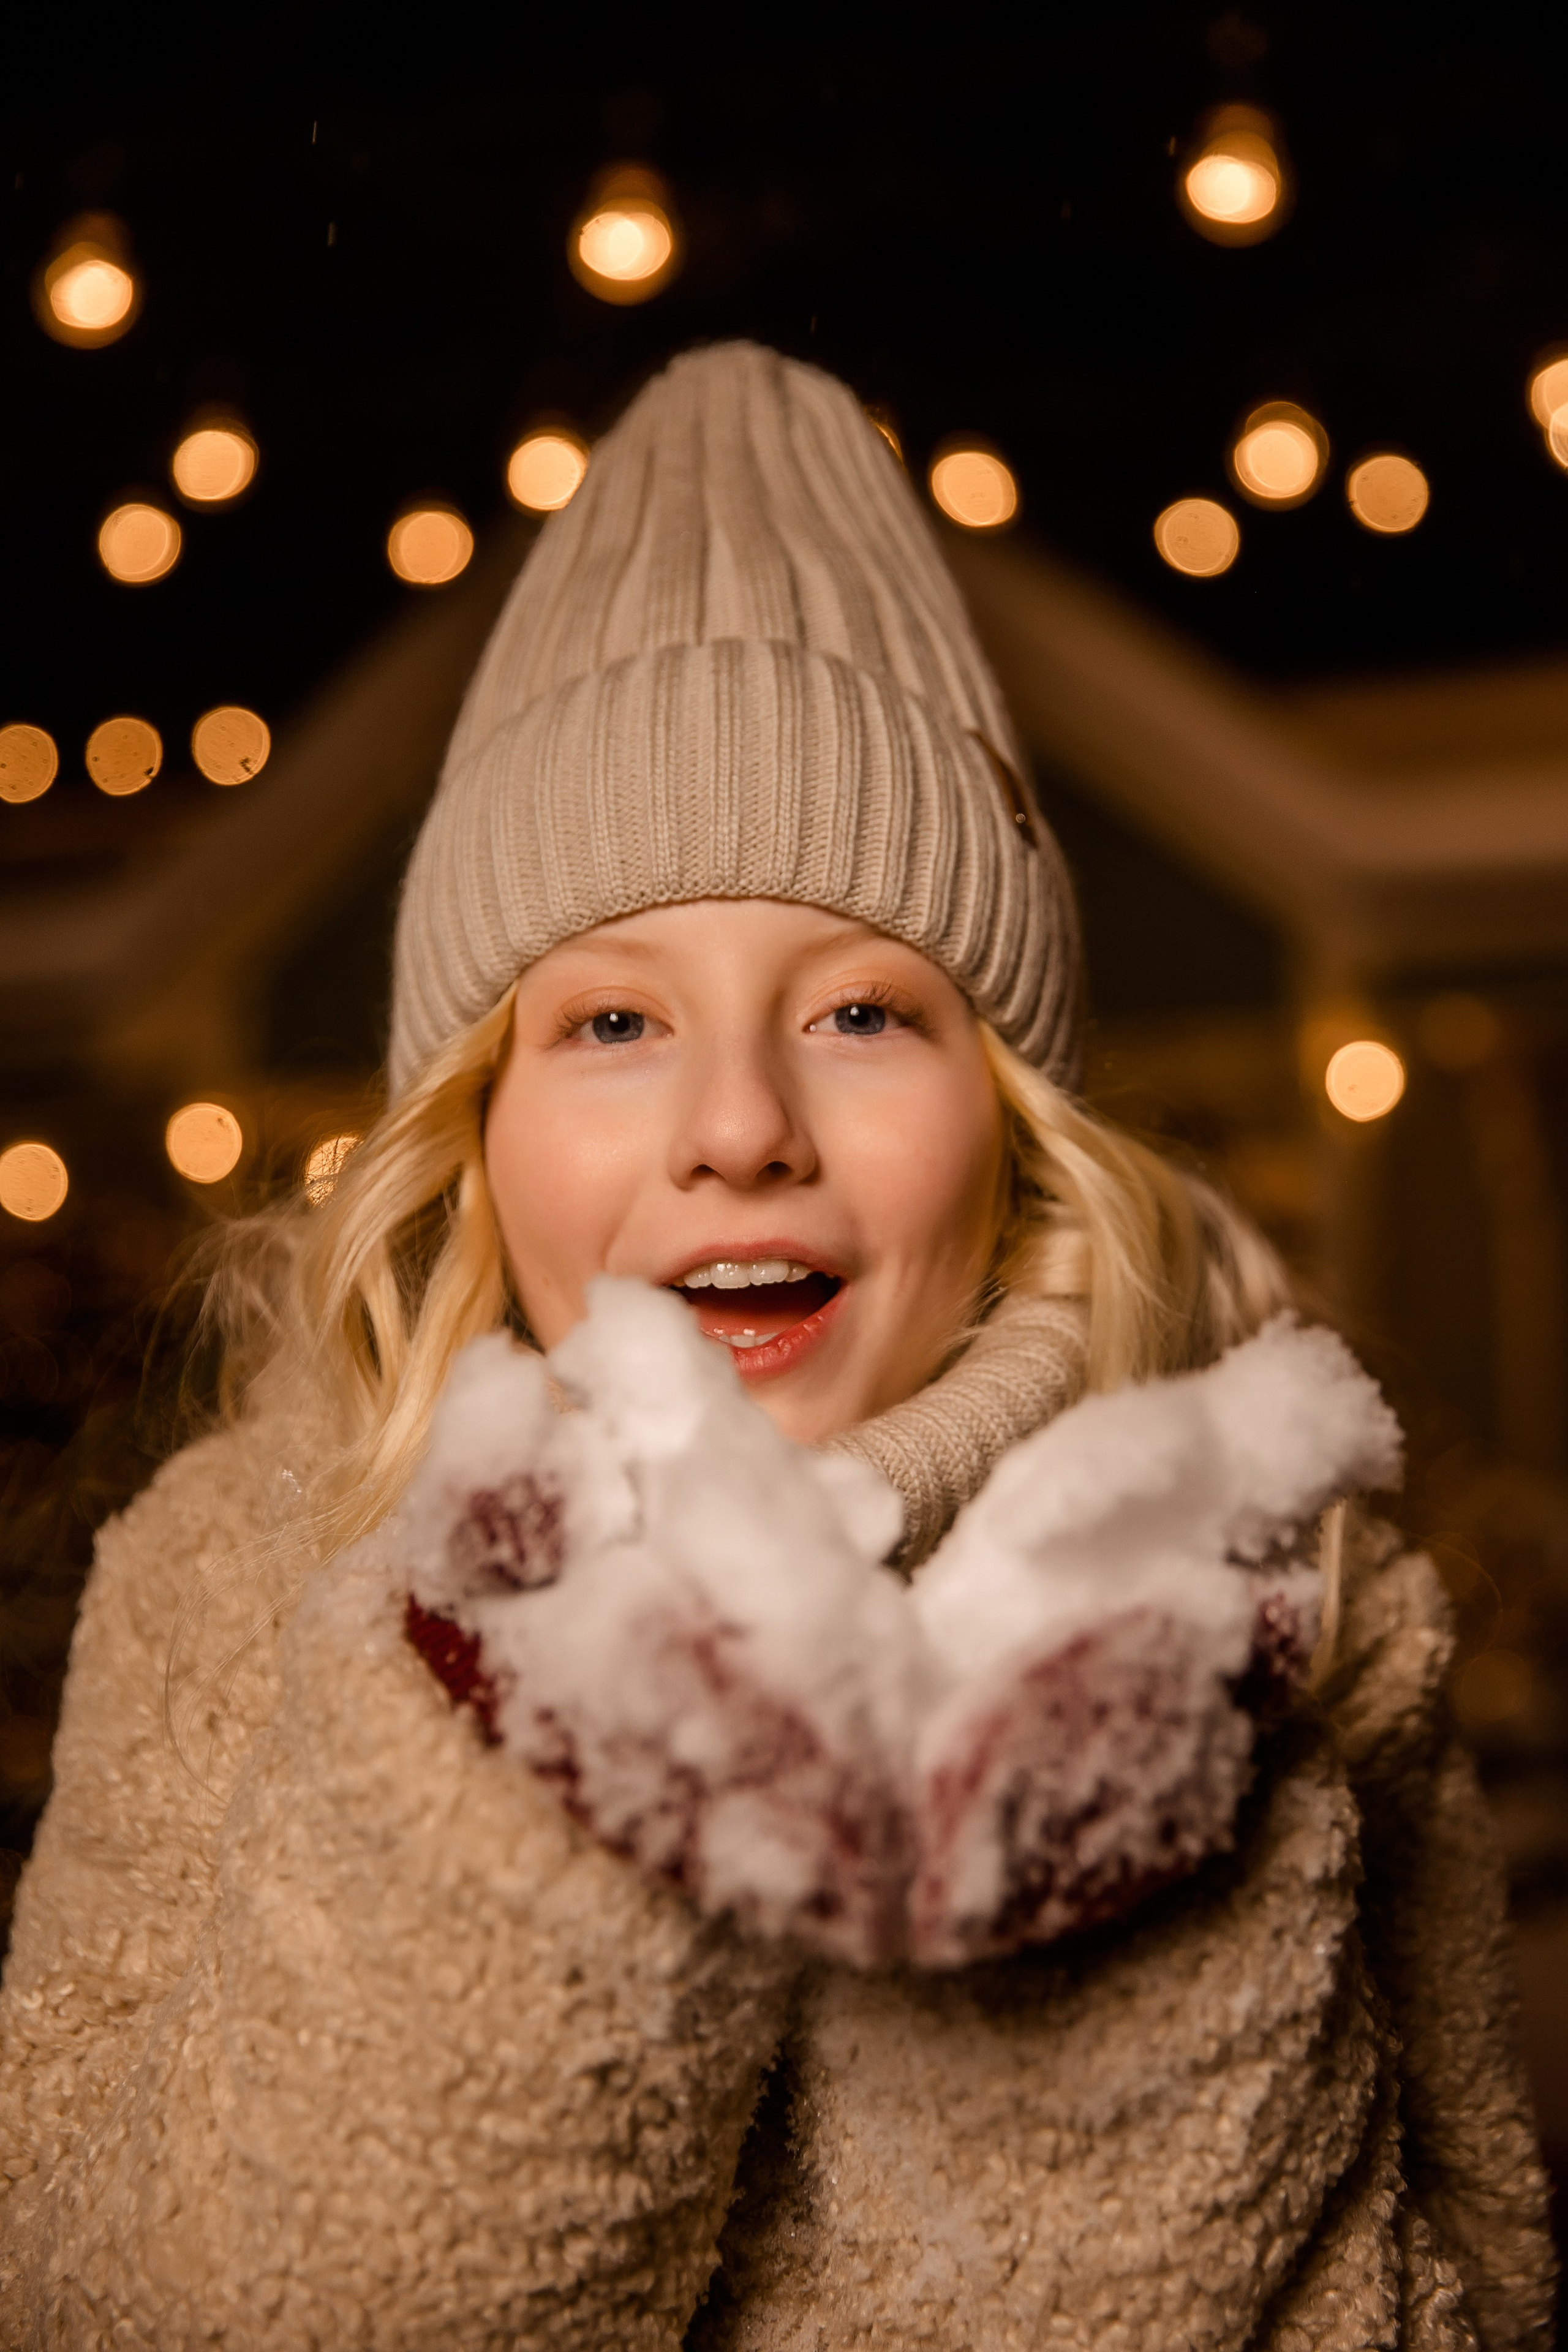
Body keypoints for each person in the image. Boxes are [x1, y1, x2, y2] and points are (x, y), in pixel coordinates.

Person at [0, 342, 1551, 2351]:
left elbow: (1464, 2297)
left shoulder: (1308, 1613)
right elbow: (111, 2298)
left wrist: (1086, 1897)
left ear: (1016, 1121)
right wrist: (563, 1752)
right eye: (613, 1022)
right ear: (475, 1130)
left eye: (863, 1012)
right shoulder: (233, 1580)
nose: (740, 1125)